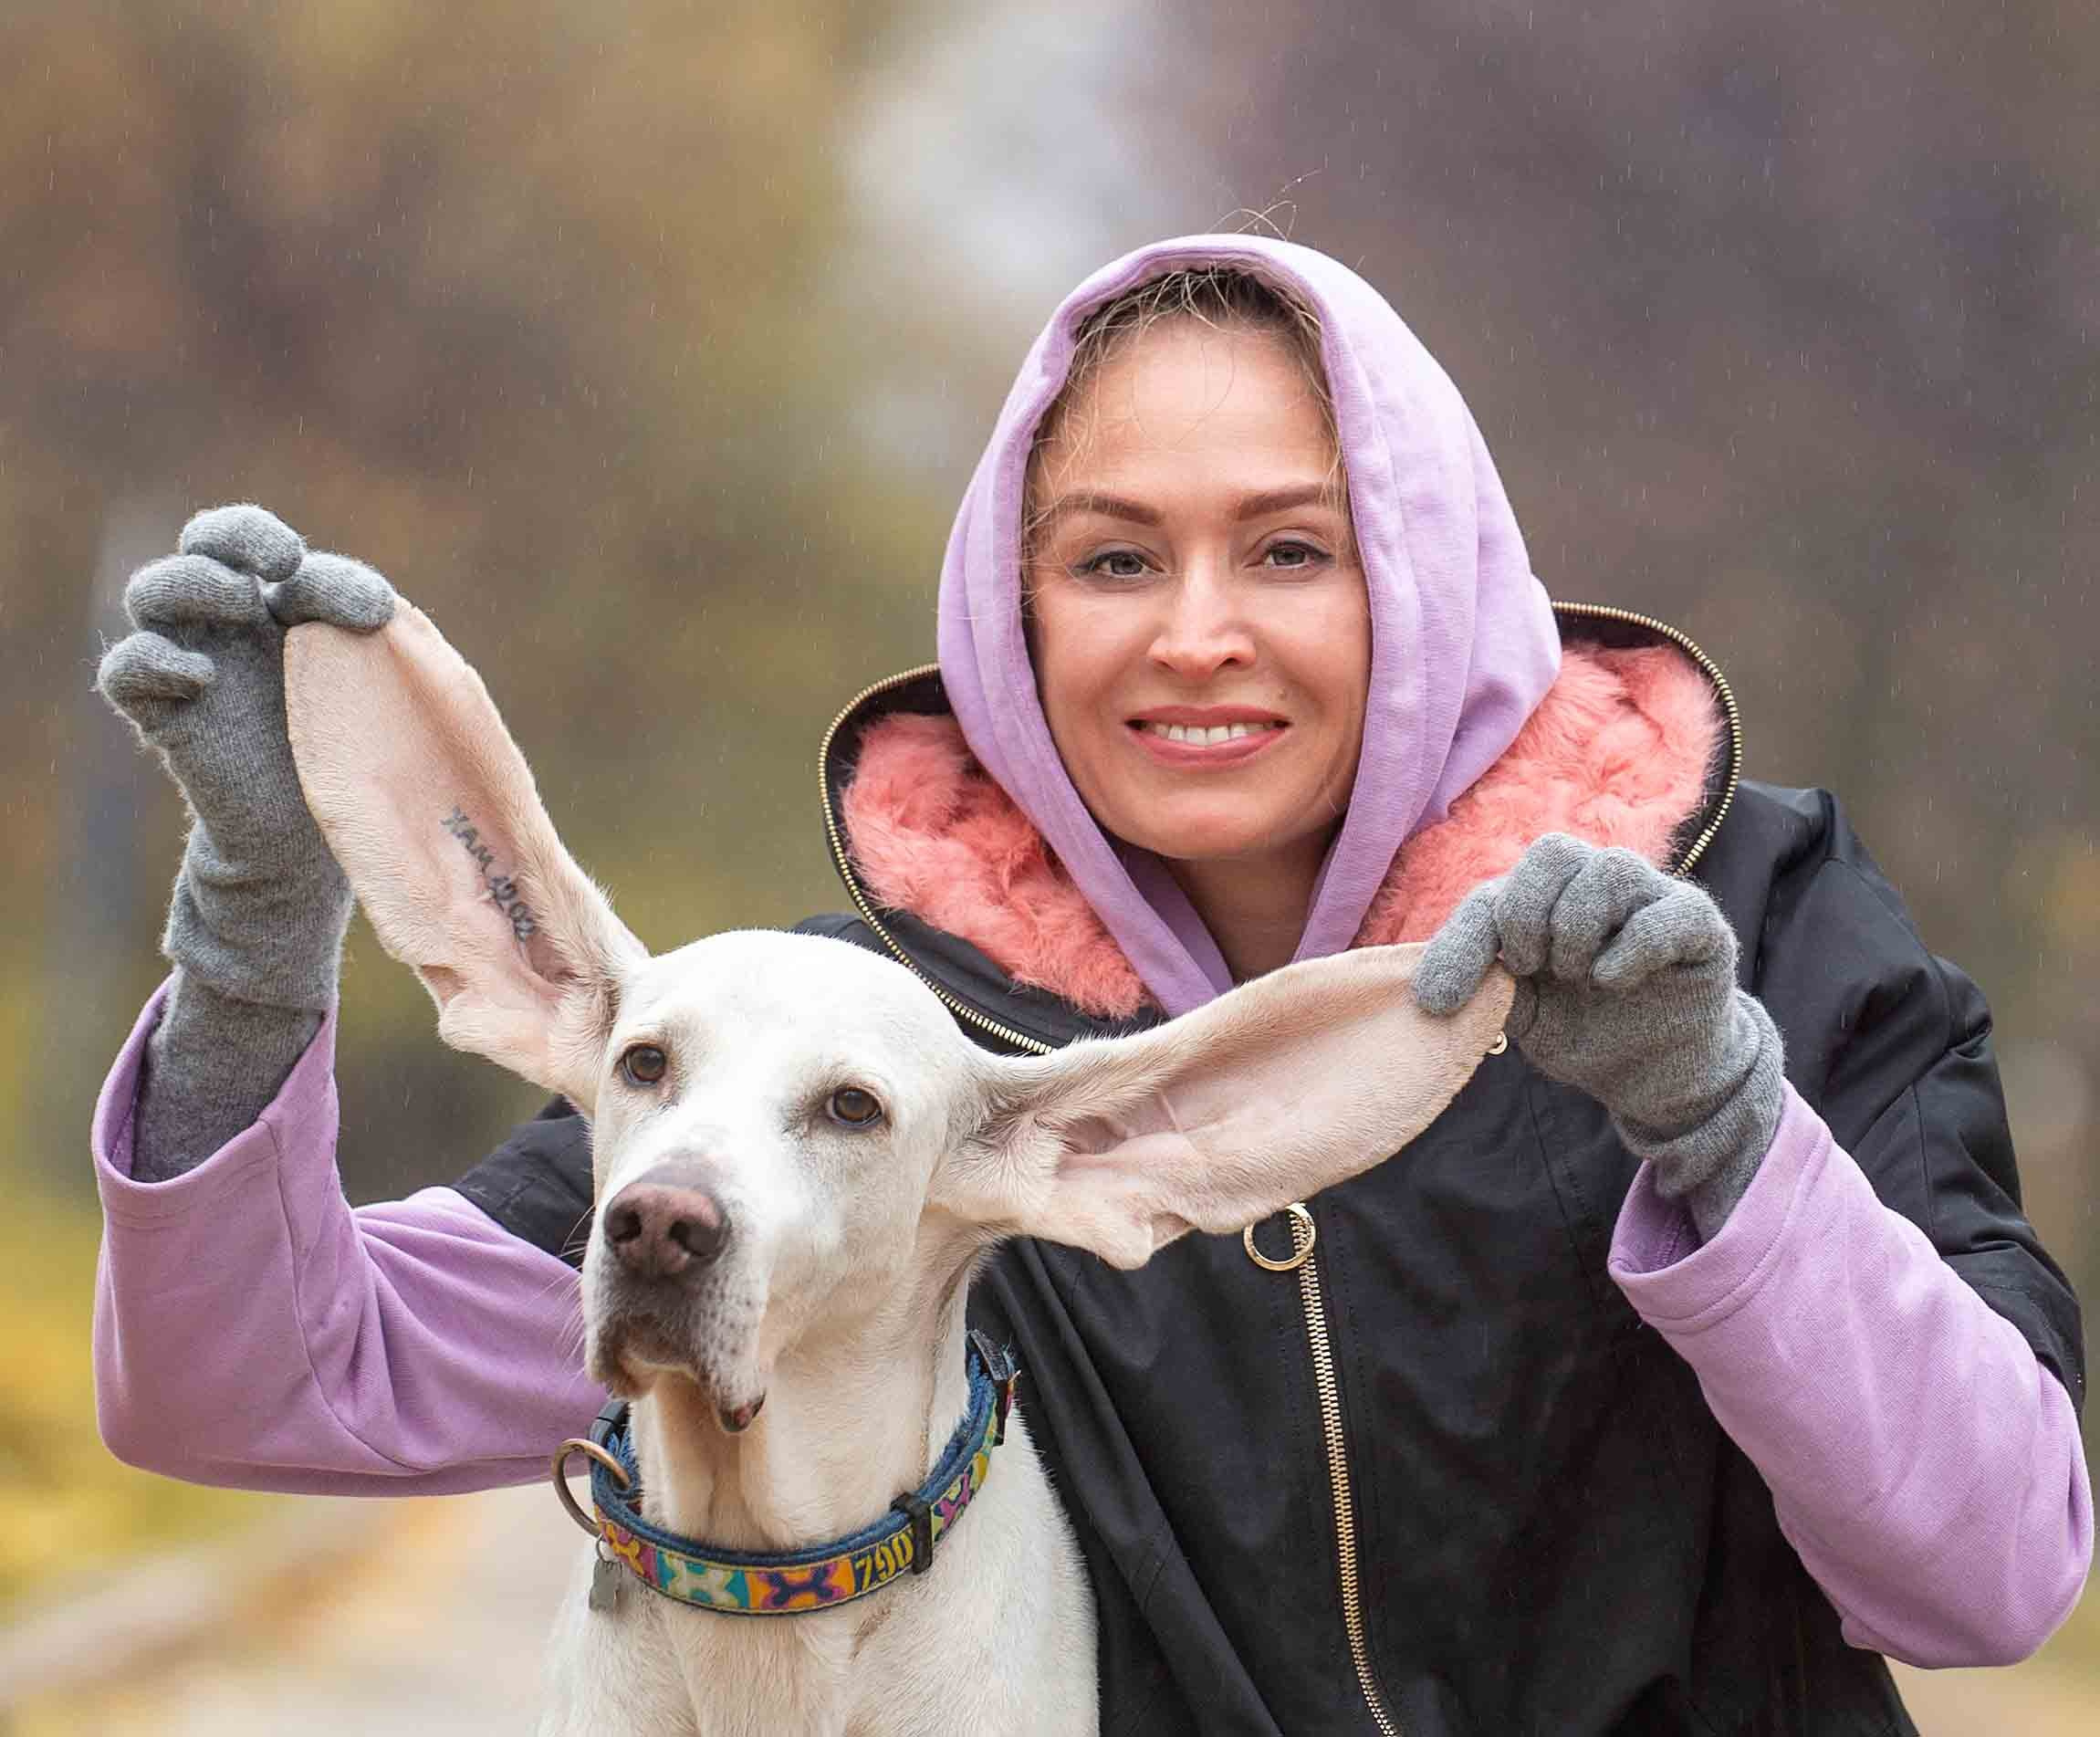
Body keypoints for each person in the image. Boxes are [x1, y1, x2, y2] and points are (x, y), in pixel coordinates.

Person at [89, 235, 2089, 1733]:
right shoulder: (873, 1058)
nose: (1194, 636)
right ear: (1006, 604)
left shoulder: (1755, 916)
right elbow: (265, 1383)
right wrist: (258, 933)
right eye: (1112, 560)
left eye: (1291, 550)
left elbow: (1988, 1574)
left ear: (1429, 564)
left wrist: (1713, 1121)